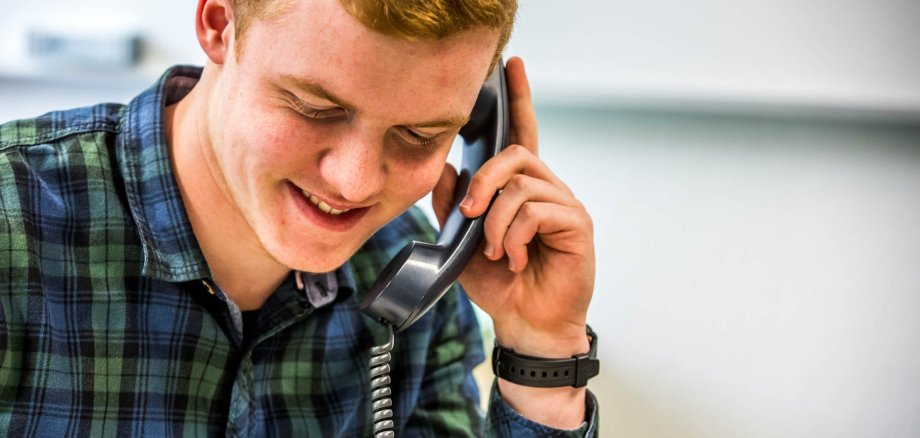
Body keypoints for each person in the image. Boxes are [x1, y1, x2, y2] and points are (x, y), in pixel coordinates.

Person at [0, 0, 598, 435]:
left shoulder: (413, 283)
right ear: (218, 24)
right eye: (315, 108)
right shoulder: (13, 225)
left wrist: (542, 353)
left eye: (419, 135)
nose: (356, 182)